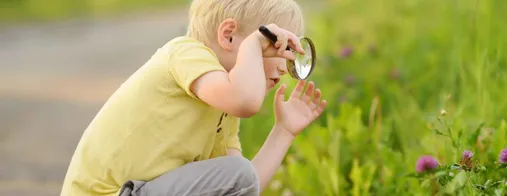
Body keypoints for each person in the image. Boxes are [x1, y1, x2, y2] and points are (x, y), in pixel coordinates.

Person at [60, 0, 326, 195]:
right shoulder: (185, 53)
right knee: (238, 170)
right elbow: (246, 102)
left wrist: (284, 131)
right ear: (229, 35)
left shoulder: (223, 108)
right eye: (277, 47)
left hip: (139, 191)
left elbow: (244, 186)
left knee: (237, 172)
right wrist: (253, 45)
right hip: (110, 193)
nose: (284, 66)